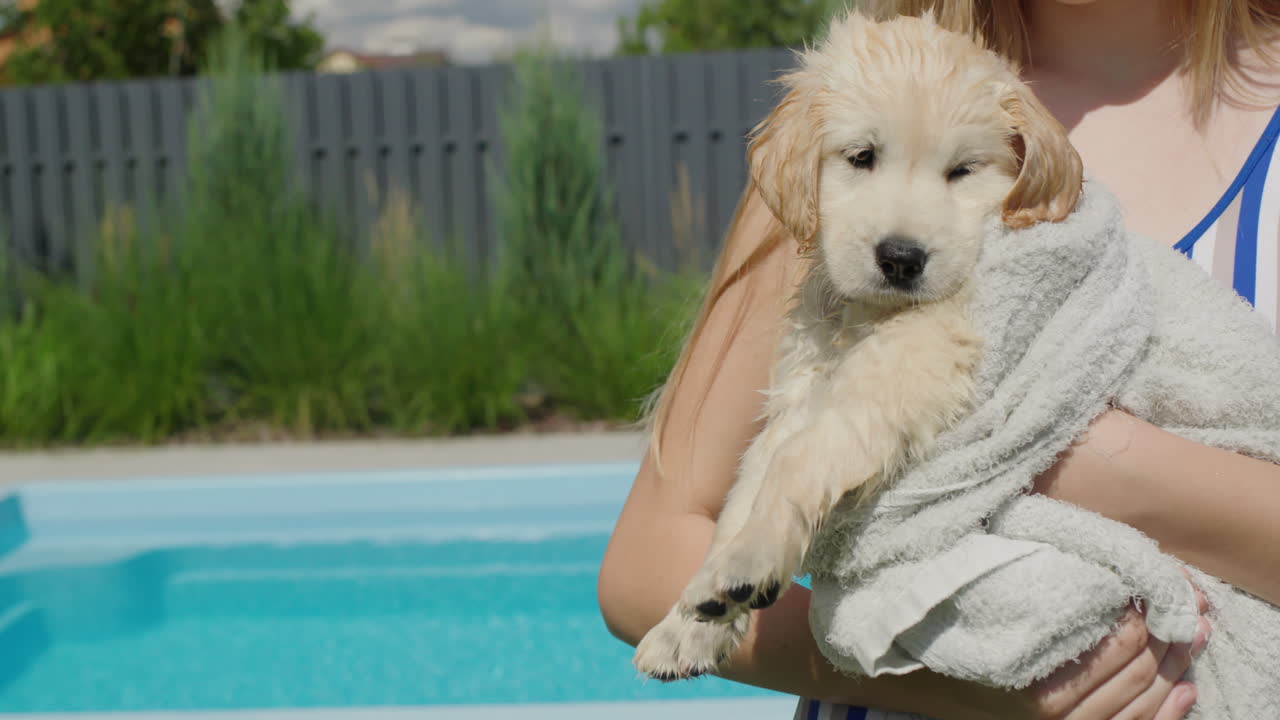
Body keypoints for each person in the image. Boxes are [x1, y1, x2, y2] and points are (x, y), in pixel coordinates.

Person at [597, 0, 1280, 718]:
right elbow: (647, 566)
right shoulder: (853, 105)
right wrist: (956, 680)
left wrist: (1075, 451)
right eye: (863, 160)